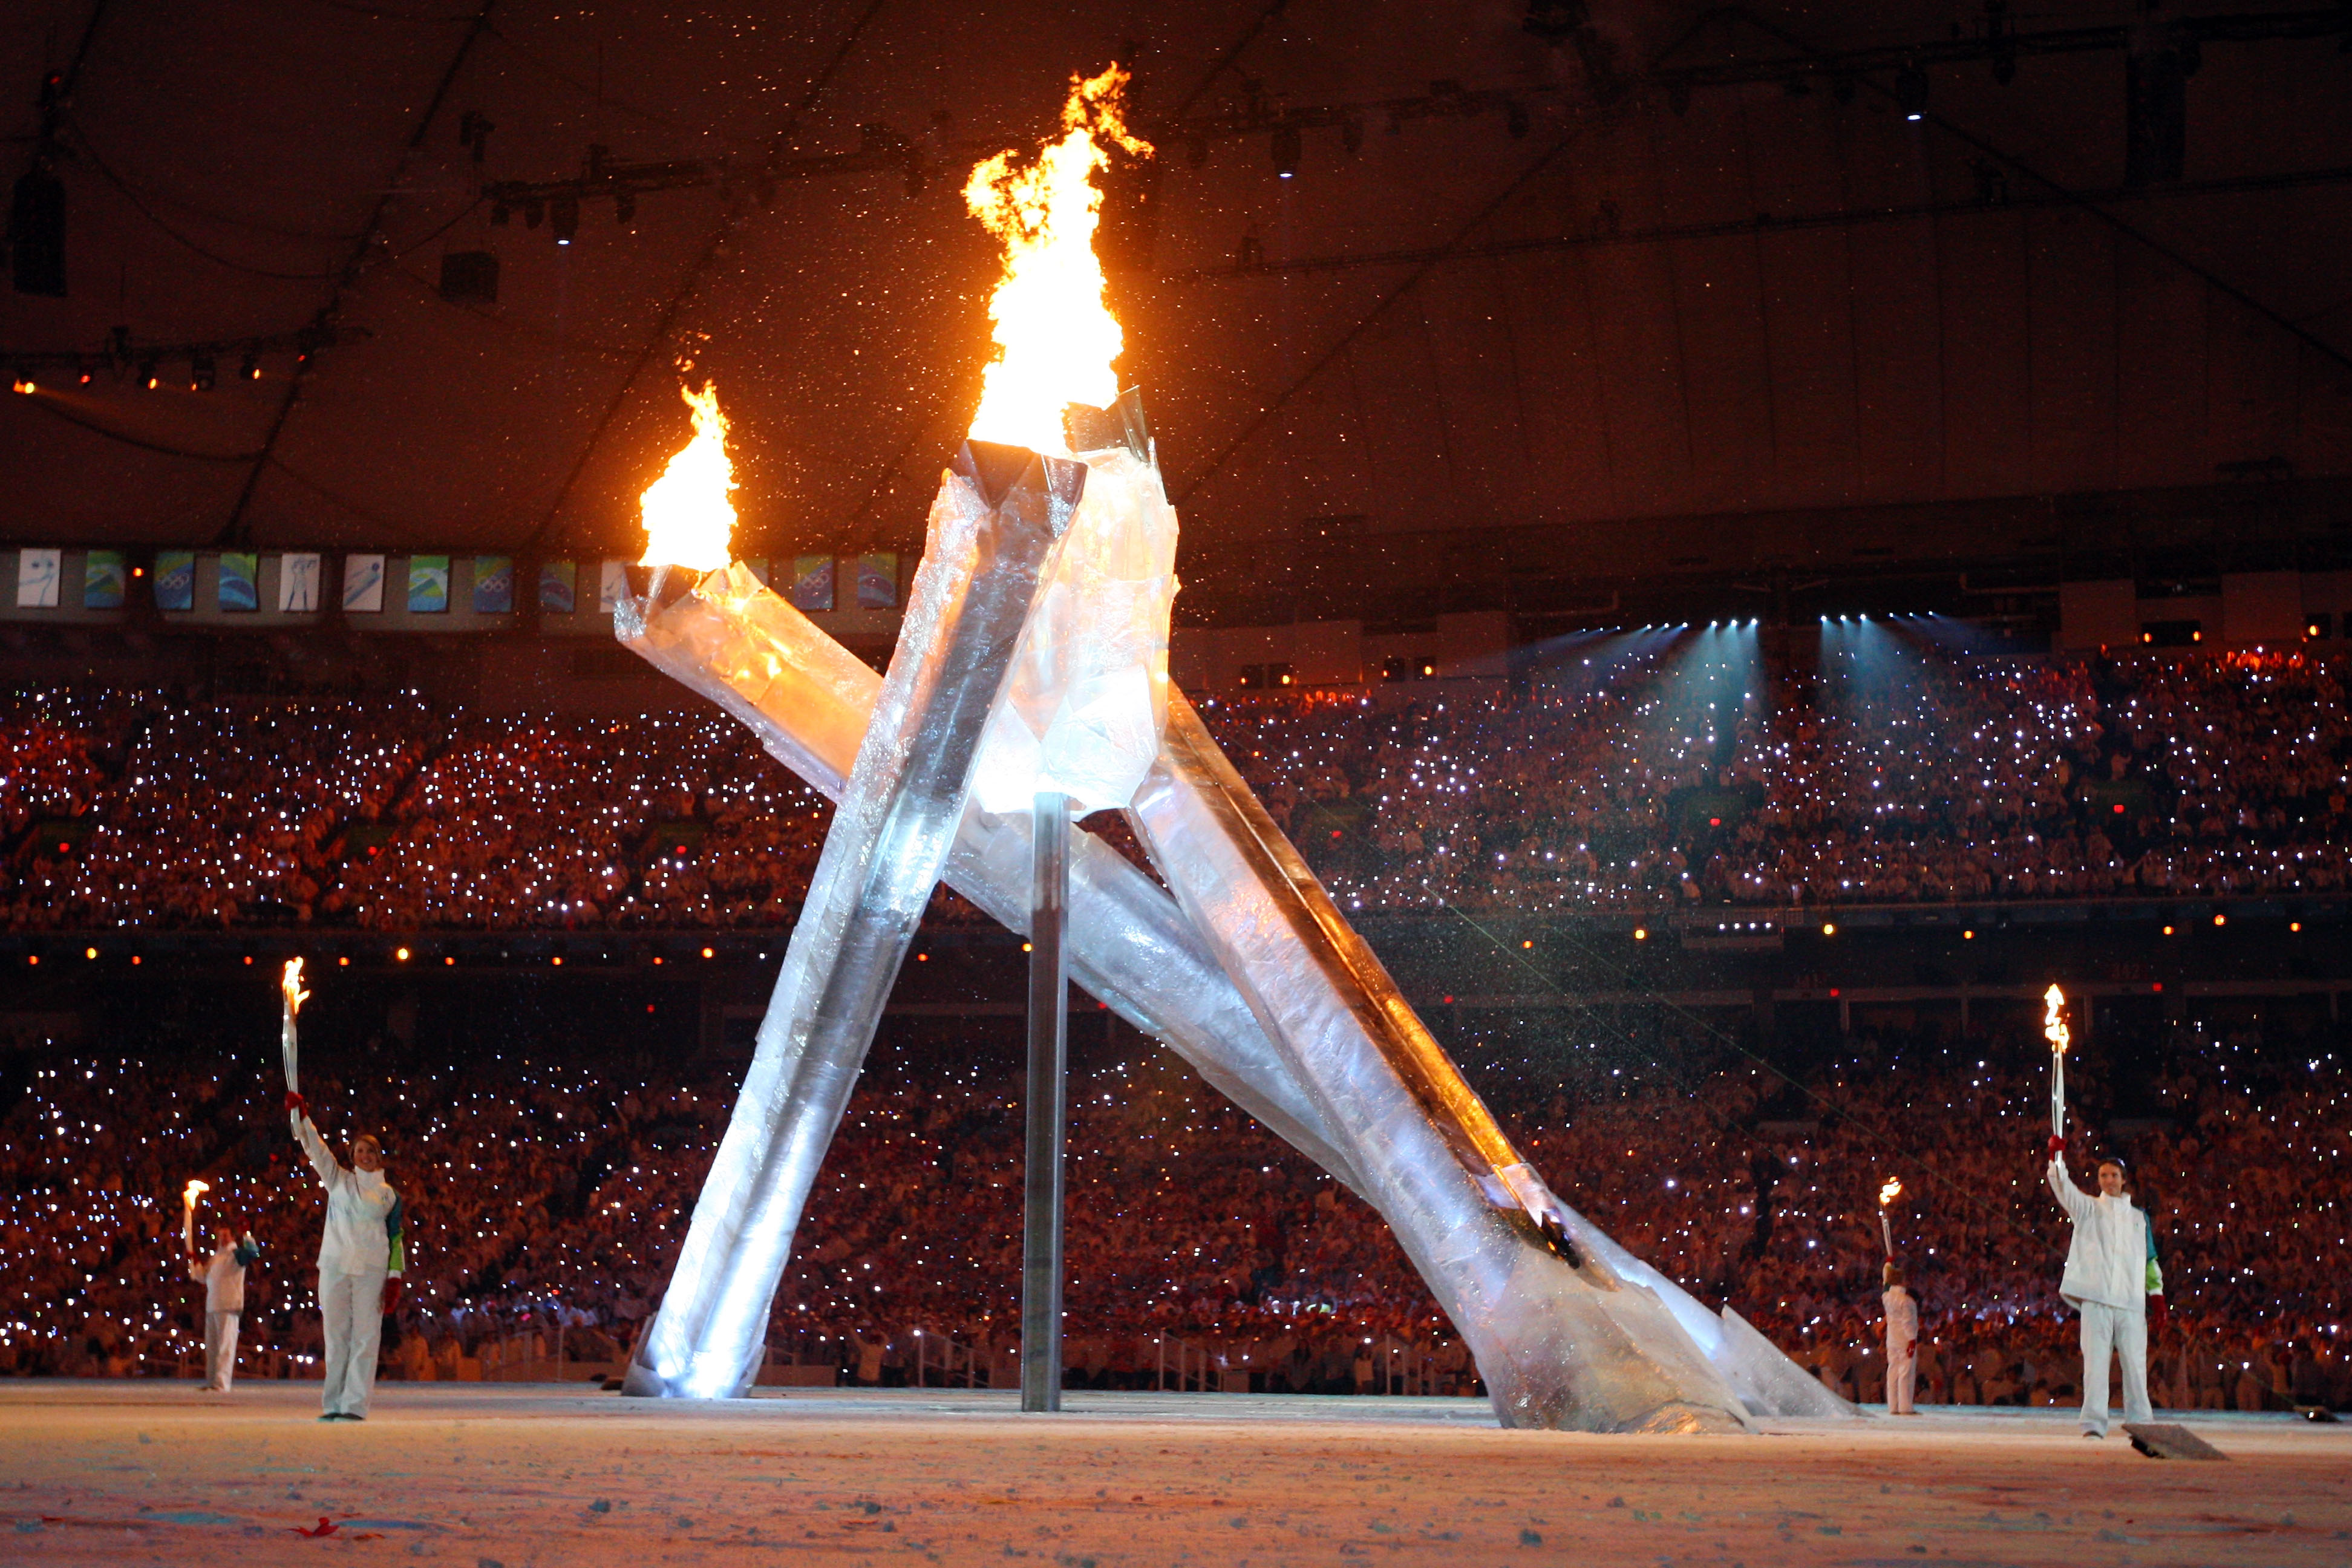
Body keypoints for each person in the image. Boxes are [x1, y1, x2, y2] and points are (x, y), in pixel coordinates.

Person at [289, 1093, 406, 1421]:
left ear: (379, 1157)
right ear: (352, 1156)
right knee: (336, 1337)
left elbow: (396, 1238)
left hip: (371, 1270)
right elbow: (315, 1150)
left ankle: (355, 1405)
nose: (365, 1155)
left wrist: (394, 1277)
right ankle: (334, 1404)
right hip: (335, 1265)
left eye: (370, 1151)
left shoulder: (389, 1195)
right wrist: (302, 1116)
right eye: (359, 1151)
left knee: (366, 1338)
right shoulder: (338, 1181)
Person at [2045, 1138, 2166, 1438]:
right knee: (2096, 1365)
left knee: (2136, 1367)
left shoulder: (2140, 1219)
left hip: (2131, 1302)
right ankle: (2093, 1425)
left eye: (2114, 1175)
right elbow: (2063, 1186)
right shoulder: (2088, 1208)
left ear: (2124, 1180)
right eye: (2103, 1176)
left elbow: (2150, 1260)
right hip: (2097, 1299)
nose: (2109, 1180)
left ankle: (2141, 1423)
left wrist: (2158, 1296)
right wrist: (2056, 1157)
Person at [186, 1224, 261, 1391]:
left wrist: (246, 1234)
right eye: (220, 1236)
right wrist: (194, 1260)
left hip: (229, 1306)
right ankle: (212, 1381)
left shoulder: (236, 1254)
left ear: (233, 1238)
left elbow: (253, 1253)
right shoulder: (215, 1258)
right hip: (212, 1306)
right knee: (212, 1348)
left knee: (225, 1347)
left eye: (226, 1235)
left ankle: (222, 1383)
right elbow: (202, 1278)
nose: (223, 1239)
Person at [1881, 1261, 1919, 1415]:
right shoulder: (1906, 1300)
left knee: (1893, 1372)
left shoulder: (1886, 1297)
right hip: (1904, 1340)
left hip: (1892, 1339)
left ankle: (1893, 1406)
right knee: (1906, 1373)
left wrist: (1888, 1263)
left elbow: (1885, 1282)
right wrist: (1912, 1341)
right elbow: (1908, 1323)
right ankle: (1905, 1406)